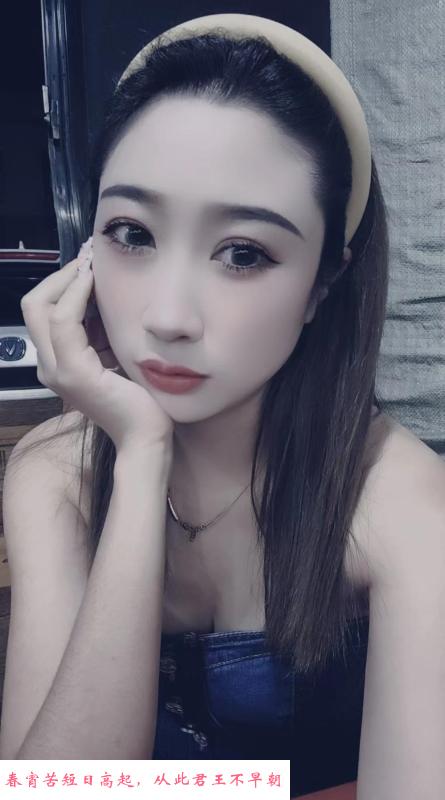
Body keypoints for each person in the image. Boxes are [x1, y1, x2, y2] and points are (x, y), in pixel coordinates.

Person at [1, 13, 444, 798]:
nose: (169, 316)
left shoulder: (399, 500)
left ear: (321, 286)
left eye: (242, 253)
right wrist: (141, 458)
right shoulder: (55, 476)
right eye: (132, 233)